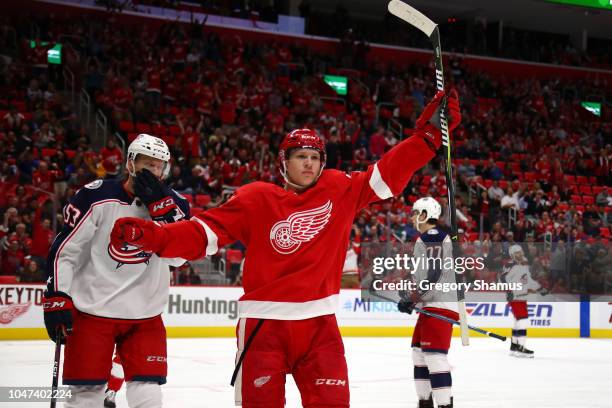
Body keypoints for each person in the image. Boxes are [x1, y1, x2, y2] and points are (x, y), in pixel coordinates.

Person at [110, 90, 462, 407]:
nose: (308, 162)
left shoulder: (340, 189)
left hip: (320, 327)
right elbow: (202, 235)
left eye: (314, 156)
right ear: (284, 162)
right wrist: (152, 236)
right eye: (300, 156)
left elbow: (388, 172)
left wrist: (428, 136)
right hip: (264, 328)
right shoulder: (256, 197)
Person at [42, 134, 190, 407]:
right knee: (85, 397)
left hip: (145, 316)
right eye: (146, 162)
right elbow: (66, 250)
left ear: (166, 169)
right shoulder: (95, 196)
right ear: (130, 163)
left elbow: (179, 259)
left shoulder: (177, 205)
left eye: (158, 165)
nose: (151, 170)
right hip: (92, 312)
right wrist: (57, 295)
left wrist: (163, 212)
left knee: (148, 394)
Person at [397, 197, 458, 408]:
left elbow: (435, 273)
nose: (413, 217)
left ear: (424, 215)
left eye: (415, 213)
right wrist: (409, 296)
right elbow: (424, 275)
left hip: (439, 304)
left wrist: (414, 297)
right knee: (419, 354)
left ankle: (443, 404)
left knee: (434, 355)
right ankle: (425, 402)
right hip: (430, 305)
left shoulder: (433, 236)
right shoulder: (428, 238)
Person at [500, 244, 548, 358]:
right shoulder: (514, 266)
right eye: (517, 253)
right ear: (512, 255)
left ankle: (514, 346)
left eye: (521, 252)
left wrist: (540, 289)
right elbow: (502, 278)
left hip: (520, 297)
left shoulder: (520, 266)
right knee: (522, 321)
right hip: (517, 297)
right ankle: (521, 348)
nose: (520, 254)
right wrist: (510, 292)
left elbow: (528, 281)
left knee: (518, 321)